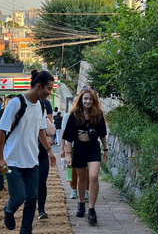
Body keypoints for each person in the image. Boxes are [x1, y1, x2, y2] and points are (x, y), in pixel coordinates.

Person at [0, 70, 57, 234]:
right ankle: (8, 210)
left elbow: (41, 130)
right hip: (12, 160)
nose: (49, 93)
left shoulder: (41, 106)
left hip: (32, 160)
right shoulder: (16, 103)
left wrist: (49, 151)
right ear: (39, 86)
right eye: (48, 89)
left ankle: (26, 230)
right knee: (19, 196)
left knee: (31, 198)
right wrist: (0, 158)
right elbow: (1, 130)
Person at [63, 87, 108, 225]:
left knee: (93, 176)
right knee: (81, 178)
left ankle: (92, 209)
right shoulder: (74, 115)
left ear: (94, 101)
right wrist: (68, 154)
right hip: (79, 148)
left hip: (93, 147)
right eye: (85, 99)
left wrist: (105, 149)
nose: (88, 101)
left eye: (90, 99)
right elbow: (69, 137)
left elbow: (102, 135)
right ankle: (81, 203)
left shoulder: (98, 114)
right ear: (81, 100)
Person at [60, 99, 90, 200]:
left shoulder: (88, 114)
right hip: (70, 146)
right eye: (75, 101)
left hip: (84, 146)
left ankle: (86, 189)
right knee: (71, 168)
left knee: (87, 169)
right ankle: (73, 188)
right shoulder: (68, 116)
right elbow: (63, 133)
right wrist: (62, 149)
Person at [37, 99, 56, 220]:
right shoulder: (22, 104)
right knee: (29, 182)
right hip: (26, 152)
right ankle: (30, 206)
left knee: (42, 180)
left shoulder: (46, 104)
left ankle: (41, 210)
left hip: (42, 150)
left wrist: (43, 115)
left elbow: (51, 131)